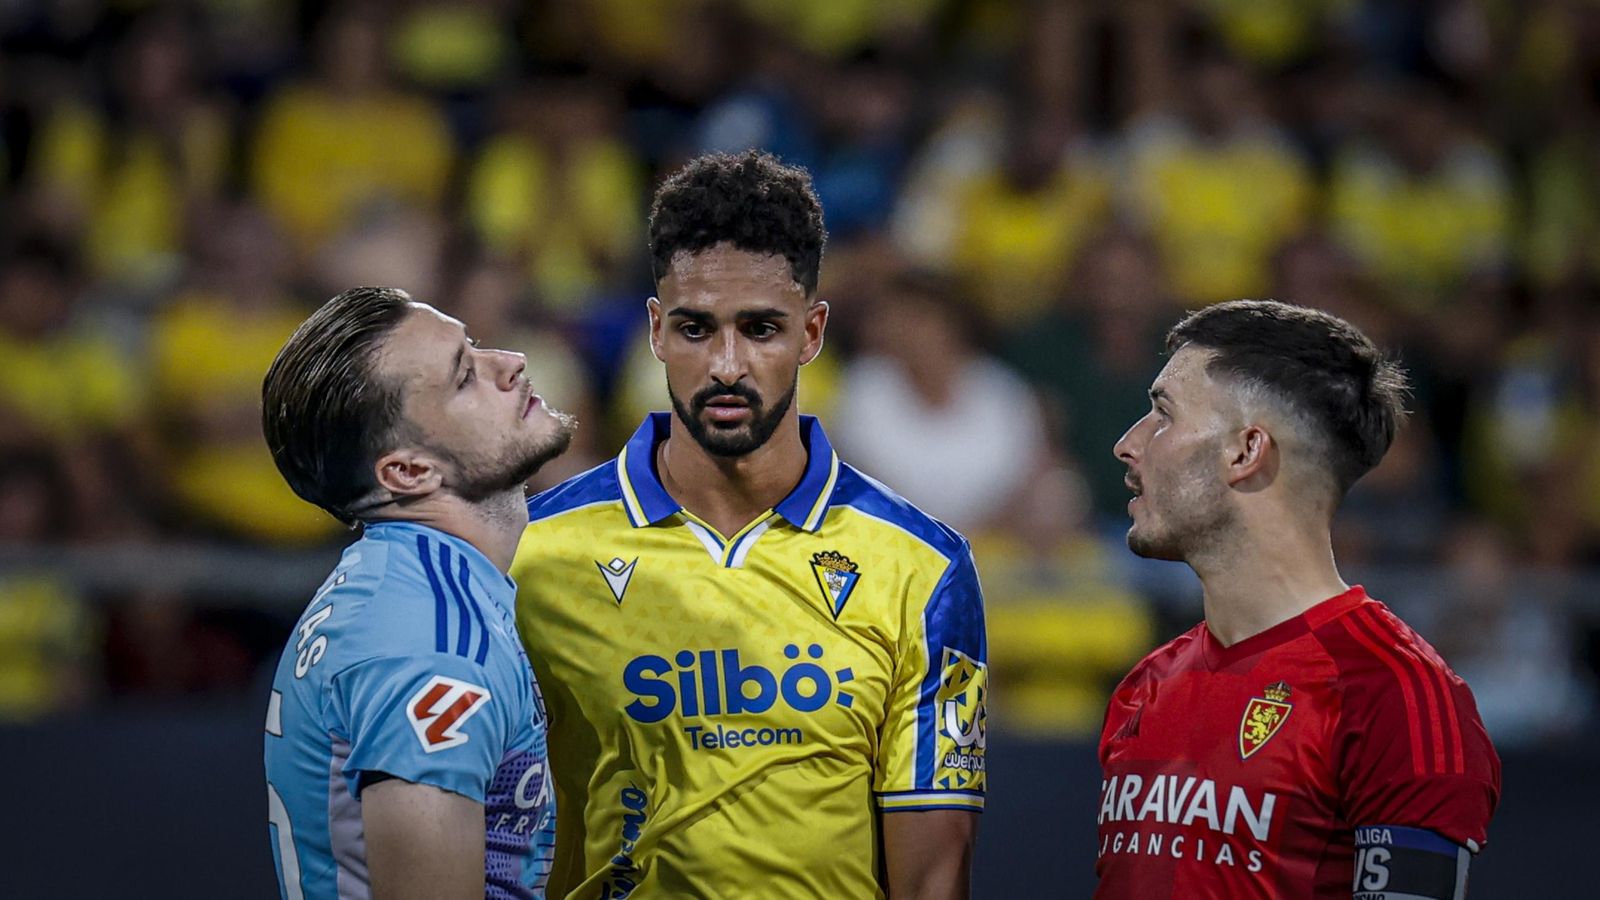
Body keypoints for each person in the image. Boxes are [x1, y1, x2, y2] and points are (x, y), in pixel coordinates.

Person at [510, 151, 987, 899]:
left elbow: (933, 877)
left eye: (761, 329)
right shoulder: (530, 552)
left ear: (812, 333)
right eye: (696, 329)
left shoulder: (925, 569)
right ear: (656, 331)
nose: (727, 366)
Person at [1097, 299, 1501, 898]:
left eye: (1163, 414)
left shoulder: (1396, 696)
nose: (1127, 445)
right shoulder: (1145, 687)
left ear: (1246, 451)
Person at [260, 286, 576, 899]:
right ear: (409, 471)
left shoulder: (408, 587)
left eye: (475, 345)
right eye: (465, 376)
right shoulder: (431, 645)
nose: (510, 362)